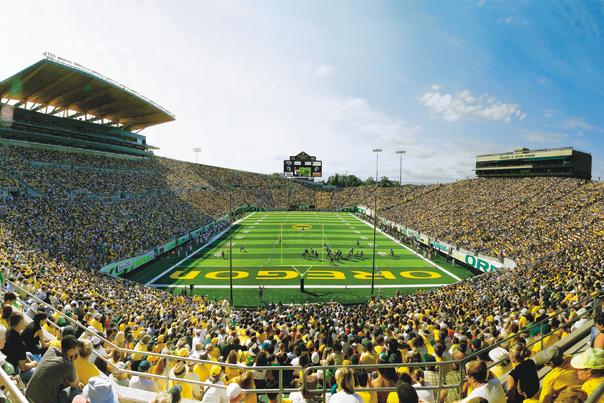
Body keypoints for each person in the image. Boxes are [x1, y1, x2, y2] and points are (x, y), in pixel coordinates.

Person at [25, 335, 83, 403]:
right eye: (76, 350)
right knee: (78, 389)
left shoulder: (51, 349)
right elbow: (75, 384)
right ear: (70, 350)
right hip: (39, 401)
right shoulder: (68, 365)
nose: (77, 352)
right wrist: (73, 361)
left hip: (28, 393)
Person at [2, 312, 37, 382]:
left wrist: (26, 360)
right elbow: (23, 368)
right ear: (20, 322)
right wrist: (33, 364)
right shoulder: (20, 344)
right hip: (11, 370)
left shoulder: (7, 331)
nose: (25, 322)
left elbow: (17, 352)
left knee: (29, 354)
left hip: (5, 362)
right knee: (36, 370)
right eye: (24, 320)